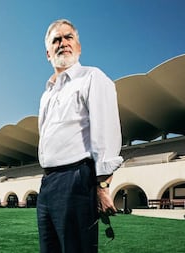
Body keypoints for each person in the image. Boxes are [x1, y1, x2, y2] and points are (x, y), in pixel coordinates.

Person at [37, 19, 123, 253]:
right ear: (48, 53)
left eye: (68, 37)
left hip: (75, 180)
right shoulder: (47, 94)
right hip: (48, 184)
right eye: (56, 40)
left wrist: (103, 185)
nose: (62, 43)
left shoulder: (92, 77)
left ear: (79, 46)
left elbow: (106, 130)